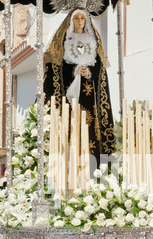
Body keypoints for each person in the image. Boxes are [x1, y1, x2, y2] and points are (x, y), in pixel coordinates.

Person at [43, 8, 116, 165]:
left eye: (82, 18)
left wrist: (88, 72)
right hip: (70, 99)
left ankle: (94, 165)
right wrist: (75, 71)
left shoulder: (93, 42)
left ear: (87, 21)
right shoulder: (64, 43)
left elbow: (99, 68)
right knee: (72, 130)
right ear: (71, 21)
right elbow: (58, 69)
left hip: (91, 98)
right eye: (76, 18)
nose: (80, 21)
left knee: (91, 132)